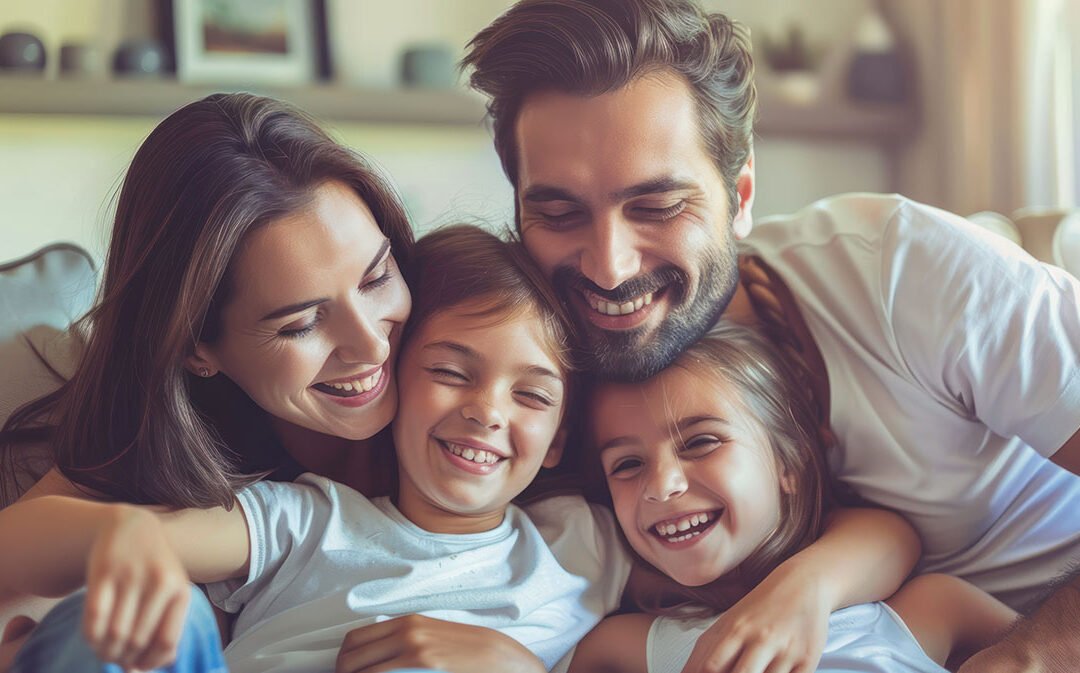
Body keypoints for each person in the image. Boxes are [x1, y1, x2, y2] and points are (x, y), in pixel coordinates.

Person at [462, 0, 1080, 667]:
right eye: (558, 212)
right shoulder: (535, 370)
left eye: (658, 206)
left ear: (743, 194)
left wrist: (1034, 654)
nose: (609, 266)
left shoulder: (903, 270)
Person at [0, 93, 544, 672]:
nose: (371, 344)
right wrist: (122, 538)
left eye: (377, 277)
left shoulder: (486, 395)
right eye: (301, 324)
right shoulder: (171, 459)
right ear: (195, 347)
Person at [0, 224, 629, 673]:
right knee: (150, 615)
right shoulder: (305, 521)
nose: (487, 411)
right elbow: (22, 540)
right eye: (450, 373)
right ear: (397, 380)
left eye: (534, 397)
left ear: (559, 442)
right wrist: (125, 537)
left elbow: (709, 572)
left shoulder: (584, 542)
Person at [569, 321, 1017, 673]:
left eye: (701, 442)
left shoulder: (929, 611)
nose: (662, 483)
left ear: (791, 461)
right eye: (627, 464)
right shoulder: (621, 649)